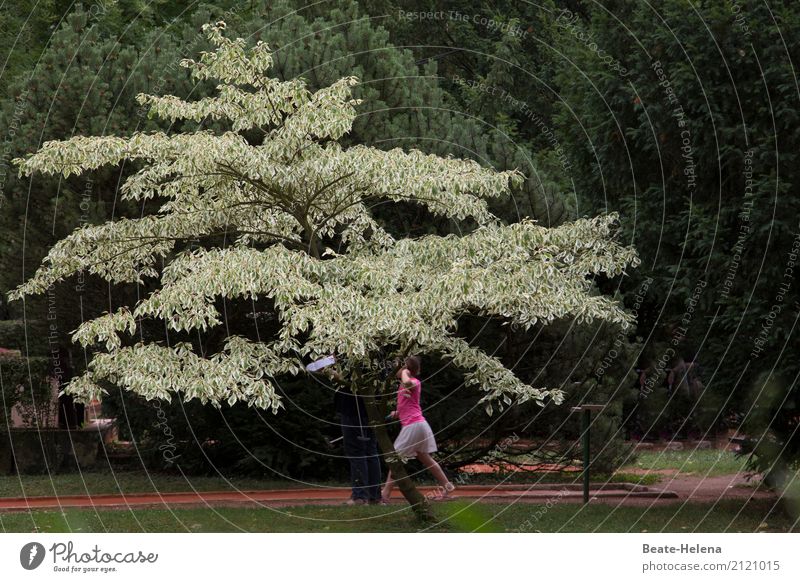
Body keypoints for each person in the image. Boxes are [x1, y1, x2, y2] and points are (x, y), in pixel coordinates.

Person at [381, 356, 454, 503]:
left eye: (398, 367)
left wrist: (405, 372)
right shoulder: (404, 385)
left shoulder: (413, 382)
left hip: (414, 425)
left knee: (396, 459)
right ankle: (448, 488)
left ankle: (385, 495)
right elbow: (409, 404)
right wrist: (396, 413)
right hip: (417, 424)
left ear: (406, 370)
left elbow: (408, 382)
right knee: (425, 458)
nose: (395, 370)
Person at [329, 367, 382, 505]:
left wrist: (332, 373)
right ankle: (374, 496)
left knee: (357, 452)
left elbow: (343, 377)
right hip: (372, 407)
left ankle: (360, 496)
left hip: (353, 408)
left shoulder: (350, 355)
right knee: (371, 452)